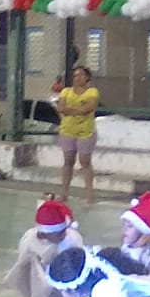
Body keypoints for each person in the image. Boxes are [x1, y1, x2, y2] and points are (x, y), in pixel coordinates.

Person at [4, 197, 83, 297]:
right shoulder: (29, 242)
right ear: (45, 234)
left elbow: (77, 269)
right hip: (39, 275)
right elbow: (25, 272)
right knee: (38, 284)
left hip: (63, 277)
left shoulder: (70, 240)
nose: (64, 235)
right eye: (60, 234)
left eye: (64, 231)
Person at [55, 64, 99, 204]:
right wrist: (78, 110)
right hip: (68, 131)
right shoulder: (66, 91)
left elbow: (88, 108)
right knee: (68, 161)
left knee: (85, 162)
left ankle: (89, 194)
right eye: (75, 76)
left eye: (81, 75)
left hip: (85, 132)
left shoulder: (92, 92)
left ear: (87, 78)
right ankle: (64, 193)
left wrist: (70, 110)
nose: (77, 78)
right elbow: (61, 108)